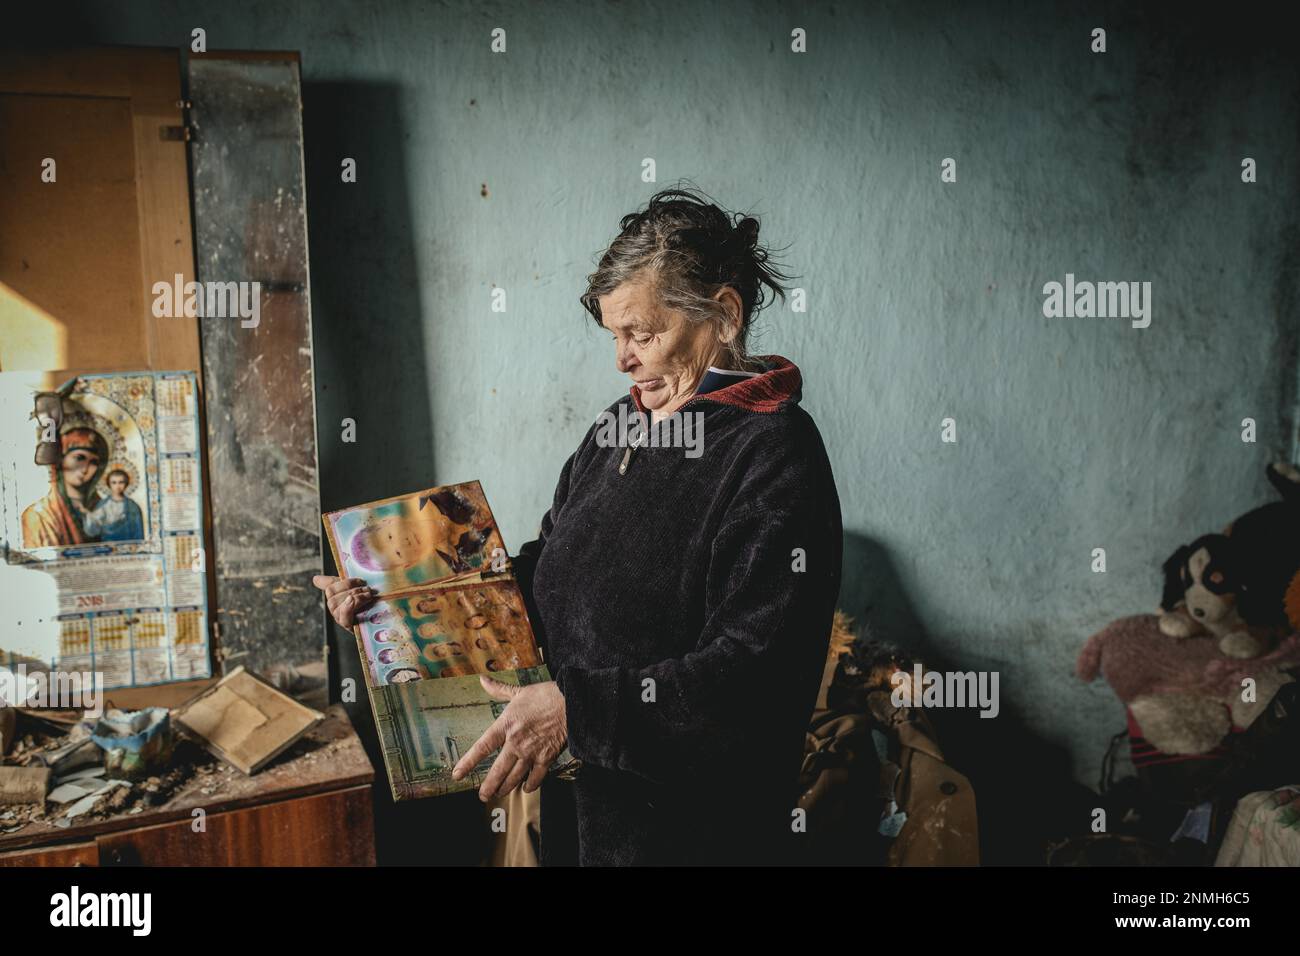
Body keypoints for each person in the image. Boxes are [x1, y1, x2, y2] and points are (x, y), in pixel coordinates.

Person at [314, 187, 843, 865]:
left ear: (725, 315)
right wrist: (391, 605)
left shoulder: (774, 453)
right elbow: (539, 577)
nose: (621, 359)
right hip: (584, 815)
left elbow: (753, 676)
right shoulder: (617, 429)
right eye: (614, 336)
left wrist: (579, 713)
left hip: (695, 836)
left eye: (642, 335)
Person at [21, 427, 109, 548]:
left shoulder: (105, 509)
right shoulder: (38, 516)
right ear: (61, 459)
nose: (85, 468)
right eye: (79, 458)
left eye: (93, 462)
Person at [82, 468, 145, 542]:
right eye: (114, 482)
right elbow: (95, 525)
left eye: (121, 482)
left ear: (126, 483)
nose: (117, 486)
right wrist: (87, 514)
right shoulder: (103, 504)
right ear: (109, 484)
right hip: (107, 542)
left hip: (127, 542)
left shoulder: (133, 506)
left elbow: (138, 530)